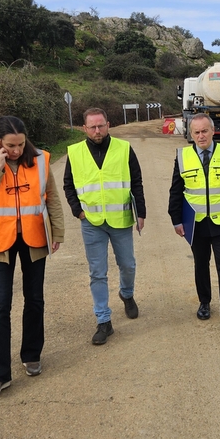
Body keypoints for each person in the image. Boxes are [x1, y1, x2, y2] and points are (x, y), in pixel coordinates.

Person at [0, 116, 64, 394]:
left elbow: (52, 198)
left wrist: (57, 233)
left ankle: (32, 355)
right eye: (10, 145)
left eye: (21, 144)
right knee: (0, 306)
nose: (16, 150)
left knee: (34, 299)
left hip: (34, 238)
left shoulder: (41, 159)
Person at [64, 108, 146, 345]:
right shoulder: (74, 152)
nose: (97, 131)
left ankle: (127, 294)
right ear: (84, 128)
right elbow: (68, 184)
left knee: (128, 265)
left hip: (120, 220)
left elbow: (136, 181)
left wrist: (141, 211)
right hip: (91, 222)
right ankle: (103, 320)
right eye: (92, 127)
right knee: (97, 272)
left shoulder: (123, 148)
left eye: (101, 126)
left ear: (108, 125)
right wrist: (76, 210)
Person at [168, 113, 220, 330]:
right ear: (191, 134)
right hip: (196, 223)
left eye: (205, 131)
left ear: (213, 131)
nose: (201, 136)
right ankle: (204, 302)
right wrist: (176, 220)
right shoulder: (183, 156)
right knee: (201, 264)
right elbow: (176, 191)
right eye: (197, 132)